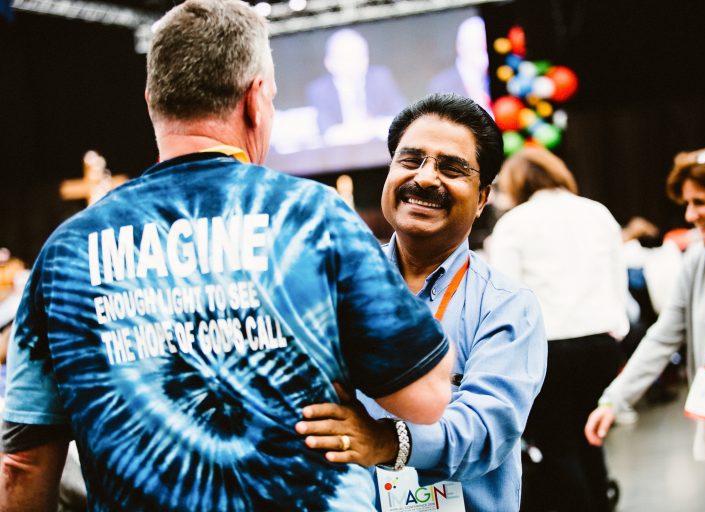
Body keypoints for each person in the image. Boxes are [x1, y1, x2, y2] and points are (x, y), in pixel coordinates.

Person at [0, 1, 454, 510]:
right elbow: (427, 396)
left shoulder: (66, 254)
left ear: (152, 101)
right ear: (256, 100)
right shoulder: (314, 217)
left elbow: (22, 466)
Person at [295, 93, 548, 511]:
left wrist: (383, 441)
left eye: (451, 168)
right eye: (410, 160)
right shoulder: (331, 286)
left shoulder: (506, 307)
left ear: (482, 197)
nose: (426, 178)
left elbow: (485, 430)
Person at [585, 146, 705, 511]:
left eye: (700, 202)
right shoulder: (699, 261)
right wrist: (614, 399)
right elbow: (663, 336)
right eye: (687, 203)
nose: (690, 215)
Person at [488, 148, 629, 512]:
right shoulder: (598, 212)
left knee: (558, 446)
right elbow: (618, 280)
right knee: (591, 439)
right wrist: (617, 332)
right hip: (601, 341)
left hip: (548, 347)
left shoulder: (514, 224)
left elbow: (508, 295)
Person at [306, 28, 406, 144]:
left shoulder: (380, 78)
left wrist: (372, 127)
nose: (355, 63)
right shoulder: (319, 90)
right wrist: (355, 131)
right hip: (342, 152)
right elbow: (326, 132)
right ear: (329, 63)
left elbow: (402, 117)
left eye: (360, 56)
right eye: (346, 58)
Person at [428, 16, 491, 112]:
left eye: (485, 48)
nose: (483, 55)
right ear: (460, 47)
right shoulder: (440, 85)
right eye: (476, 47)